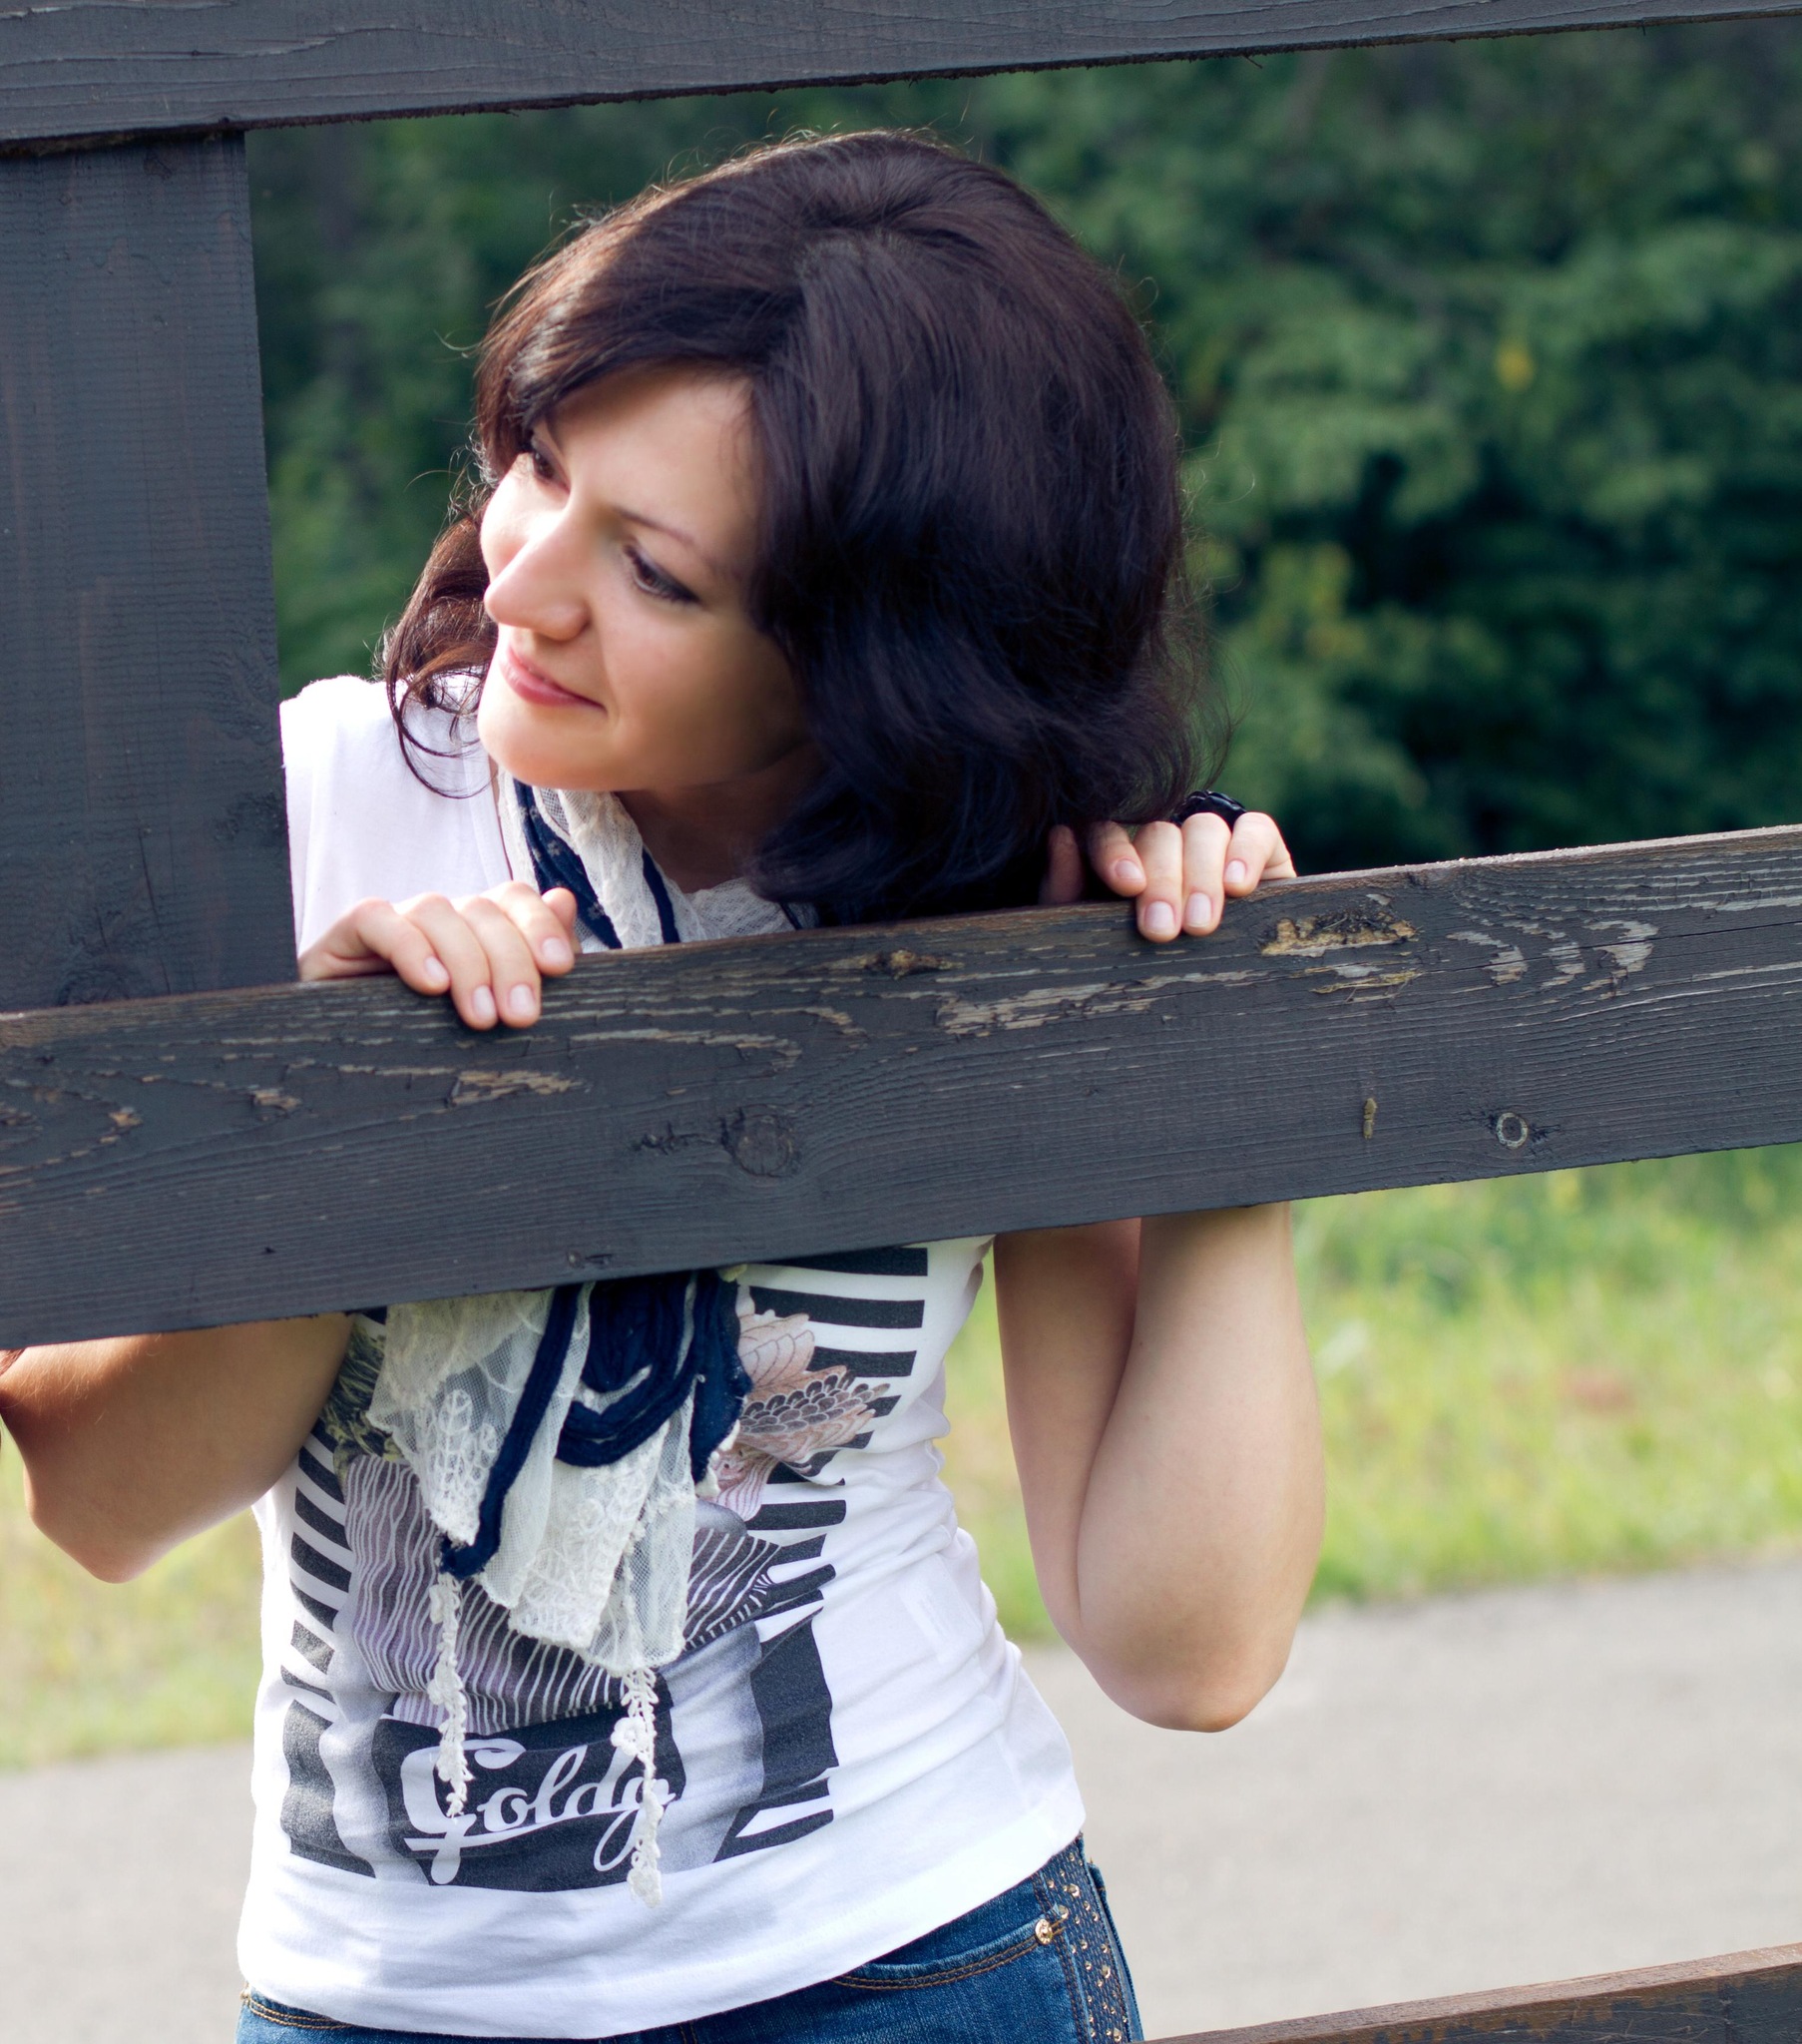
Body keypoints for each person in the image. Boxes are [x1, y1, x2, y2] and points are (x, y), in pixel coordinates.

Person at [0, 133, 1322, 2044]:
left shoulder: (989, 891)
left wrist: (1225, 1059)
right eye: (539, 462)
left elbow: (1182, 1650)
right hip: (376, 2006)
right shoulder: (307, 809)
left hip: (910, 1967)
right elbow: (104, 1502)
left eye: (656, 570)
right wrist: (340, 1128)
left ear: (866, 659)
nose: (521, 578)